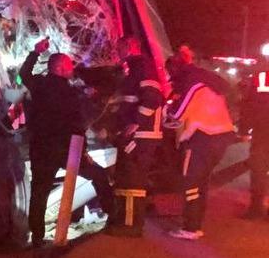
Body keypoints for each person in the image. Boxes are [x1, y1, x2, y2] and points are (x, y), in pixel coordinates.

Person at [19, 38, 115, 246]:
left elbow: (23, 74)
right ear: (61, 68)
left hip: (41, 148)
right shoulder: (70, 93)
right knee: (98, 174)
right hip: (66, 149)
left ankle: (37, 236)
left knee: (39, 191)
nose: (73, 68)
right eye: (70, 65)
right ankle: (112, 214)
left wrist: (35, 52)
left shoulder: (40, 85)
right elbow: (76, 124)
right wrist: (84, 152)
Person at [164, 57, 237, 239]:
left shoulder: (193, 86)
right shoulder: (210, 85)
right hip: (221, 137)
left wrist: (164, 110)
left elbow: (176, 115)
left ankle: (190, 228)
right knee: (202, 182)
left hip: (203, 138)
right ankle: (195, 223)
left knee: (191, 182)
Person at [106, 50, 165, 236]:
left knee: (133, 180)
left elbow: (153, 99)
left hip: (142, 136)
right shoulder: (132, 77)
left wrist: (135, 122)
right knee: (125, 178)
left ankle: (131, 225)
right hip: (134, 136)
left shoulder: (144, 74)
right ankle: (125, 220)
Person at [238, 59, 269, 219]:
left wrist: (244, 128)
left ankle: (256, 209)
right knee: (258, 168)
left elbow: (250, 103)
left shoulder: (261, 76)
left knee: (258, 169)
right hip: (262, 129)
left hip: (262, 129)